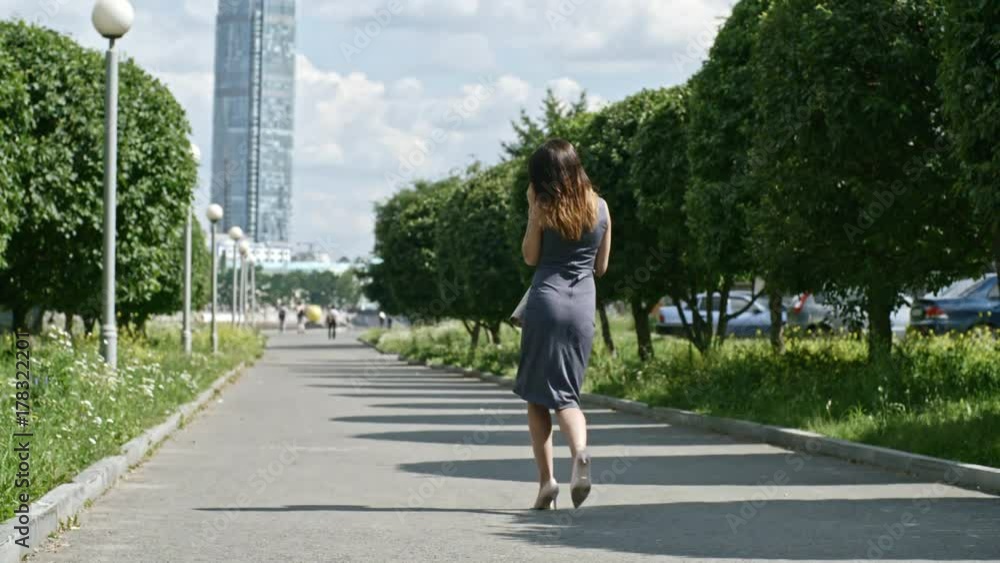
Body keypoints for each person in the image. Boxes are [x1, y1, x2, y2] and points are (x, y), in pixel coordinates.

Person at [514, 139, 611, 511]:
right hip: (582, 307)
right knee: (568, 397)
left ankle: (547, 483)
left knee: (537, 399)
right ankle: (580, 453)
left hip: (546, 303)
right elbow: (601, 267)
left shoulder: (543, 207)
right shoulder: (601, 207)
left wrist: (532, 211)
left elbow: (530, 256)